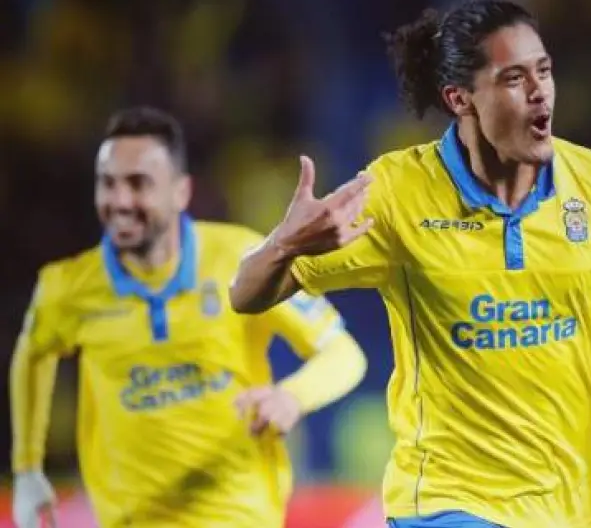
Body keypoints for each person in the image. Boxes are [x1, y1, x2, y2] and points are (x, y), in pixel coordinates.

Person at [230, 0, 591, 528]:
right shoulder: (398, 193)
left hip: (568, 510)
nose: (539, 91)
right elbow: (246, 295)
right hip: (445, 502)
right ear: (459, 98)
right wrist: (284, 244)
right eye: (513, 78)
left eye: (544, 71)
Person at [9, 106, 368, 528]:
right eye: (108, 183)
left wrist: (292, 397)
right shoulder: (67, 287)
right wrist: (27, 469)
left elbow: (344, 354)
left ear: (180, 192)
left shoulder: (240, 260)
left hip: (235, 513)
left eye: (138, 183)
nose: (120, 201)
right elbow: (32, 356)